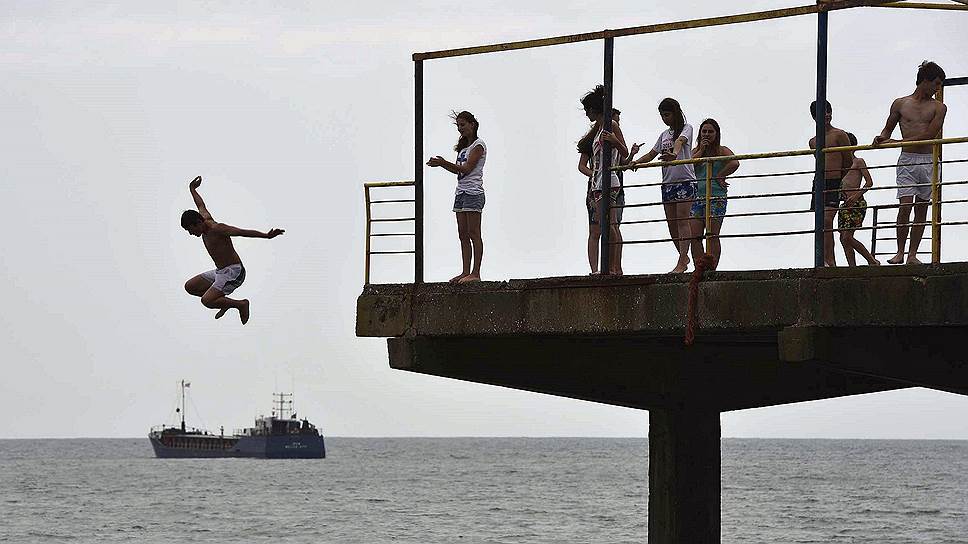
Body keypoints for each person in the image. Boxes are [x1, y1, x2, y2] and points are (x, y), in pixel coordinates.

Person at [181, 176, 285, 324]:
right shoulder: (203, 217)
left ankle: (240, 304)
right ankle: (223, 302)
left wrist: (266, 236)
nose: (192, 234)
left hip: (234, 272)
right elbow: (200, 205)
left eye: (191, 230)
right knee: (190, 287)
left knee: (206, 301)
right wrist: (192, 189)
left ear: (198, 222)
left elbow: (242, 232)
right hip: (220, 271)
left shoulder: (217, 229)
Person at [873, 60, 947, 265]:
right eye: (937, 83)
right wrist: (881, 138)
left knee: (922, 209)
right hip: (907, 159)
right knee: (905, 206)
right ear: (925, 81)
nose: (938, 88)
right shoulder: (900, 103)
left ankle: (912, 254)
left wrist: (898, 141)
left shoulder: (939, 107)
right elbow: (887, 129)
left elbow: (931, 134)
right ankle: (899, 252)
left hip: (928, 160)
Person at [630, 98, 702, 273]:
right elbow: (652, 153)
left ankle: (681, 261)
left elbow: (680, 143)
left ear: (675, 113)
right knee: (671, 224)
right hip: (667, 183)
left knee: (682, 221)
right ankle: (683, 256)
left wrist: (674, 154)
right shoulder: (664, 135)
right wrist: (636, 163)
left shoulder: (687, 128)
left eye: (667, 115)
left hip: (684, 180)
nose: (664, 118)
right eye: (662, 115)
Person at [427, 110, 487, 283]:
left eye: (463, 125)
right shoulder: (463, 148)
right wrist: (441, 165)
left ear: (472, 125)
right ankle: (465, 271)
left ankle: (476, 273)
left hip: (473, 192)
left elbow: (468, 169)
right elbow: (457, 171)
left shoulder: (478, 145)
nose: (460, 128)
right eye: (458, 125)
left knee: (474, 233)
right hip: (460, 192)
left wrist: (443, 162)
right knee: (463, 234)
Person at [577, 86, 628, 275]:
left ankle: (614, 267)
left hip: (609, 180)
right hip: (598, 181)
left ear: (593, 109)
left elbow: (623, 153)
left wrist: (614, 140)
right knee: (606, 224)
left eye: (587, 110)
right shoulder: (598, 130)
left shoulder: (610, 126)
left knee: (611, 224)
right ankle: (610, 267)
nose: (586, 114)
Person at [688, 119, 739, 270]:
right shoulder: (695, 152)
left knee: (712, 234)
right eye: (704, 131)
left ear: (716, 134)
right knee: (695, 236)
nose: (707, 134)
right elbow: (688, 164)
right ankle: (699, 268)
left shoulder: (722, 150)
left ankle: (712, 268)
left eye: (711, 131)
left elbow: (735, 162)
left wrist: (719, 175)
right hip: (697, 197)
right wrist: (702, 151)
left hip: (716, 196)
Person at [808, 100, 852, 267]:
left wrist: (840, 180)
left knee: (827, 221)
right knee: (820, 223)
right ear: (815, 117)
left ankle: (830, 261)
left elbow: (848, 161)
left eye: (829, 111)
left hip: (834, 181)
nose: (827, 115)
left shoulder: (840, 135)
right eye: (823, 112)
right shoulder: (813, 141)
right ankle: (825, 260)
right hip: (819, 182)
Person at [839, 133, 879, 266]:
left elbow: (869, 182)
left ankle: (871, 261)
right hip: (844, 204)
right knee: (843, 238)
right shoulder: (839, 165)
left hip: (856, 202)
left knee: (847, 237)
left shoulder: (858, 162)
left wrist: (855, 196)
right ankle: (852, 266)